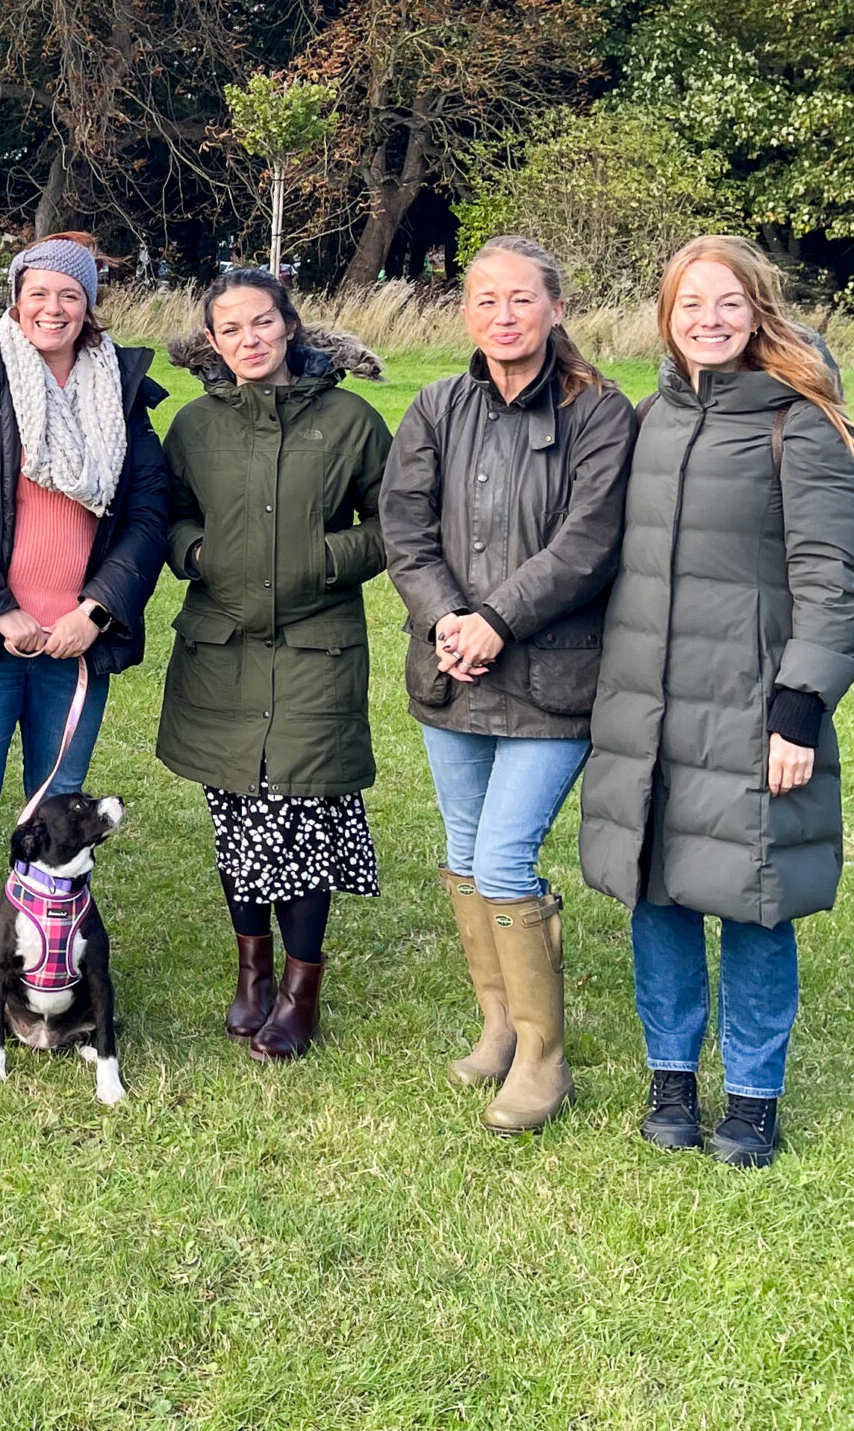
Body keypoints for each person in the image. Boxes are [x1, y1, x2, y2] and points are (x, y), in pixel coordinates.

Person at [579, 235, 854, 1168]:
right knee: (657, 894)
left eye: (727, 303)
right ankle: (672, 1079)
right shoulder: (650, 418)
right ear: (667, 316)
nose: (708, 320)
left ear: (758, 312)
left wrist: (799, 709)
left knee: (754, 899)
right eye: (689, 304)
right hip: (647, 706)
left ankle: (753, 1097)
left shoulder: (801, 423)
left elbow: (837, 581)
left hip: (751, 708)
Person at [0, 236, 172, 1036]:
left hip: (76, 641)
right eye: (38, 293)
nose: (53, 309)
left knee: (57, 810)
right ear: (15, 298)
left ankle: (54, 961)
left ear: (90, 308)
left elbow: (148, 514)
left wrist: (98, 610)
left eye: (70, 296)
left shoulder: (122, 390)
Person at [380, 236, 632, 1133]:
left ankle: (544, 1058)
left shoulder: (601, 414)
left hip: (551, 682)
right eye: (485, 300)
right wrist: (448, 616)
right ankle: (497, 1027)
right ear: (465, 313)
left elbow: (591, 543)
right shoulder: (438, 406)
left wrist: (498, 621)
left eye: (521, 300)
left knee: (502, 858)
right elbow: (403, 528)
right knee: (462, 851)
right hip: (449, 673)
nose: (503, 316)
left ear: (556, 308)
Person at [157, 269, 389, 1062]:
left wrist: (325, 558)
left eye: (263, 323)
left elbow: (396, 520)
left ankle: (299, 993)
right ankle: (251, 974)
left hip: (316, 649)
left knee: (302, 817)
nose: (250, 339)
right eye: (232, 328)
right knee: (238, 816)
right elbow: (169, 511)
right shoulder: (193, 426)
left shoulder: (350, 420)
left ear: (290, 326)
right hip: (222, 648)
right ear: (213, 342)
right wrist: (195, 551)